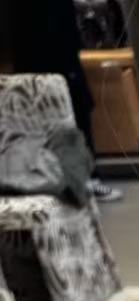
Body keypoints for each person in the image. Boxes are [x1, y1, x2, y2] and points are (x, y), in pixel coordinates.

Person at [10, 0, 123, 201]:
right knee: (73, 112)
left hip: (42, 47)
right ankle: (85, 180)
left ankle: (73, 179)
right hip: (51, 47)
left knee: (63, 113)